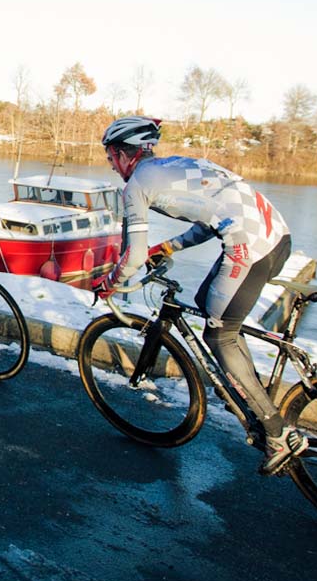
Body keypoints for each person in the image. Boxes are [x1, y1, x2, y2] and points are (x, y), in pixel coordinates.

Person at [93, 115, 304, 475]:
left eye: (111, 158)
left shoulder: (136, 187)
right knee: (211, 307)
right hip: (277, 238)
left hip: (248, 248)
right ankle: (250, 392)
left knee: (219, 334)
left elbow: (134, 257)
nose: (111, 166)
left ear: (121, 153)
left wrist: (110, 282)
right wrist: (171, 247)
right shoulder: (180, 165)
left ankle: (277, 431)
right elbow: (211, 220)